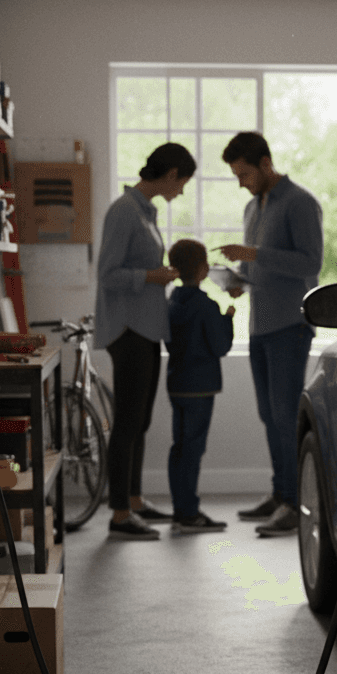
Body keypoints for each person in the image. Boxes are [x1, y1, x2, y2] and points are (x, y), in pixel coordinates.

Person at [218, 132, 324, 538]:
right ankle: (280, 495)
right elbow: (259, 269)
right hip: (260, 326)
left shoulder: (300, 203)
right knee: (269, 417)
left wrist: (254, 255)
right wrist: (238, 280)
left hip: (290, 326)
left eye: (244, 173)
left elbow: (310, 262)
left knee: (284, 418)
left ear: (265, 164)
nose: (240, 181)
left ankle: (295, 505)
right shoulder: (252, 207)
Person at [96, 142, 196, 539]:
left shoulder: (143, 212)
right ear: (170, 174)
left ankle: (133, 500)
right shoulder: (124, 212)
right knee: (127, 423)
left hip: (146, 329)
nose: (182, 191)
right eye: (183, 182)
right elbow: (108, 274)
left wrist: (155, 275)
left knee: (141, 421)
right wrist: (151, 277)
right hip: (128, 330)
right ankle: (120, 514)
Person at [165, 239, 236, 535]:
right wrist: (228, 318)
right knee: (193, 450)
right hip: (201, 387)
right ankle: (189, 513)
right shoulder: (207, 306)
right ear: (204, 269)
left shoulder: (171, 302)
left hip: (177, 384)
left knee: (179, 447)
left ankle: (180, 509)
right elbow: (220, 346)